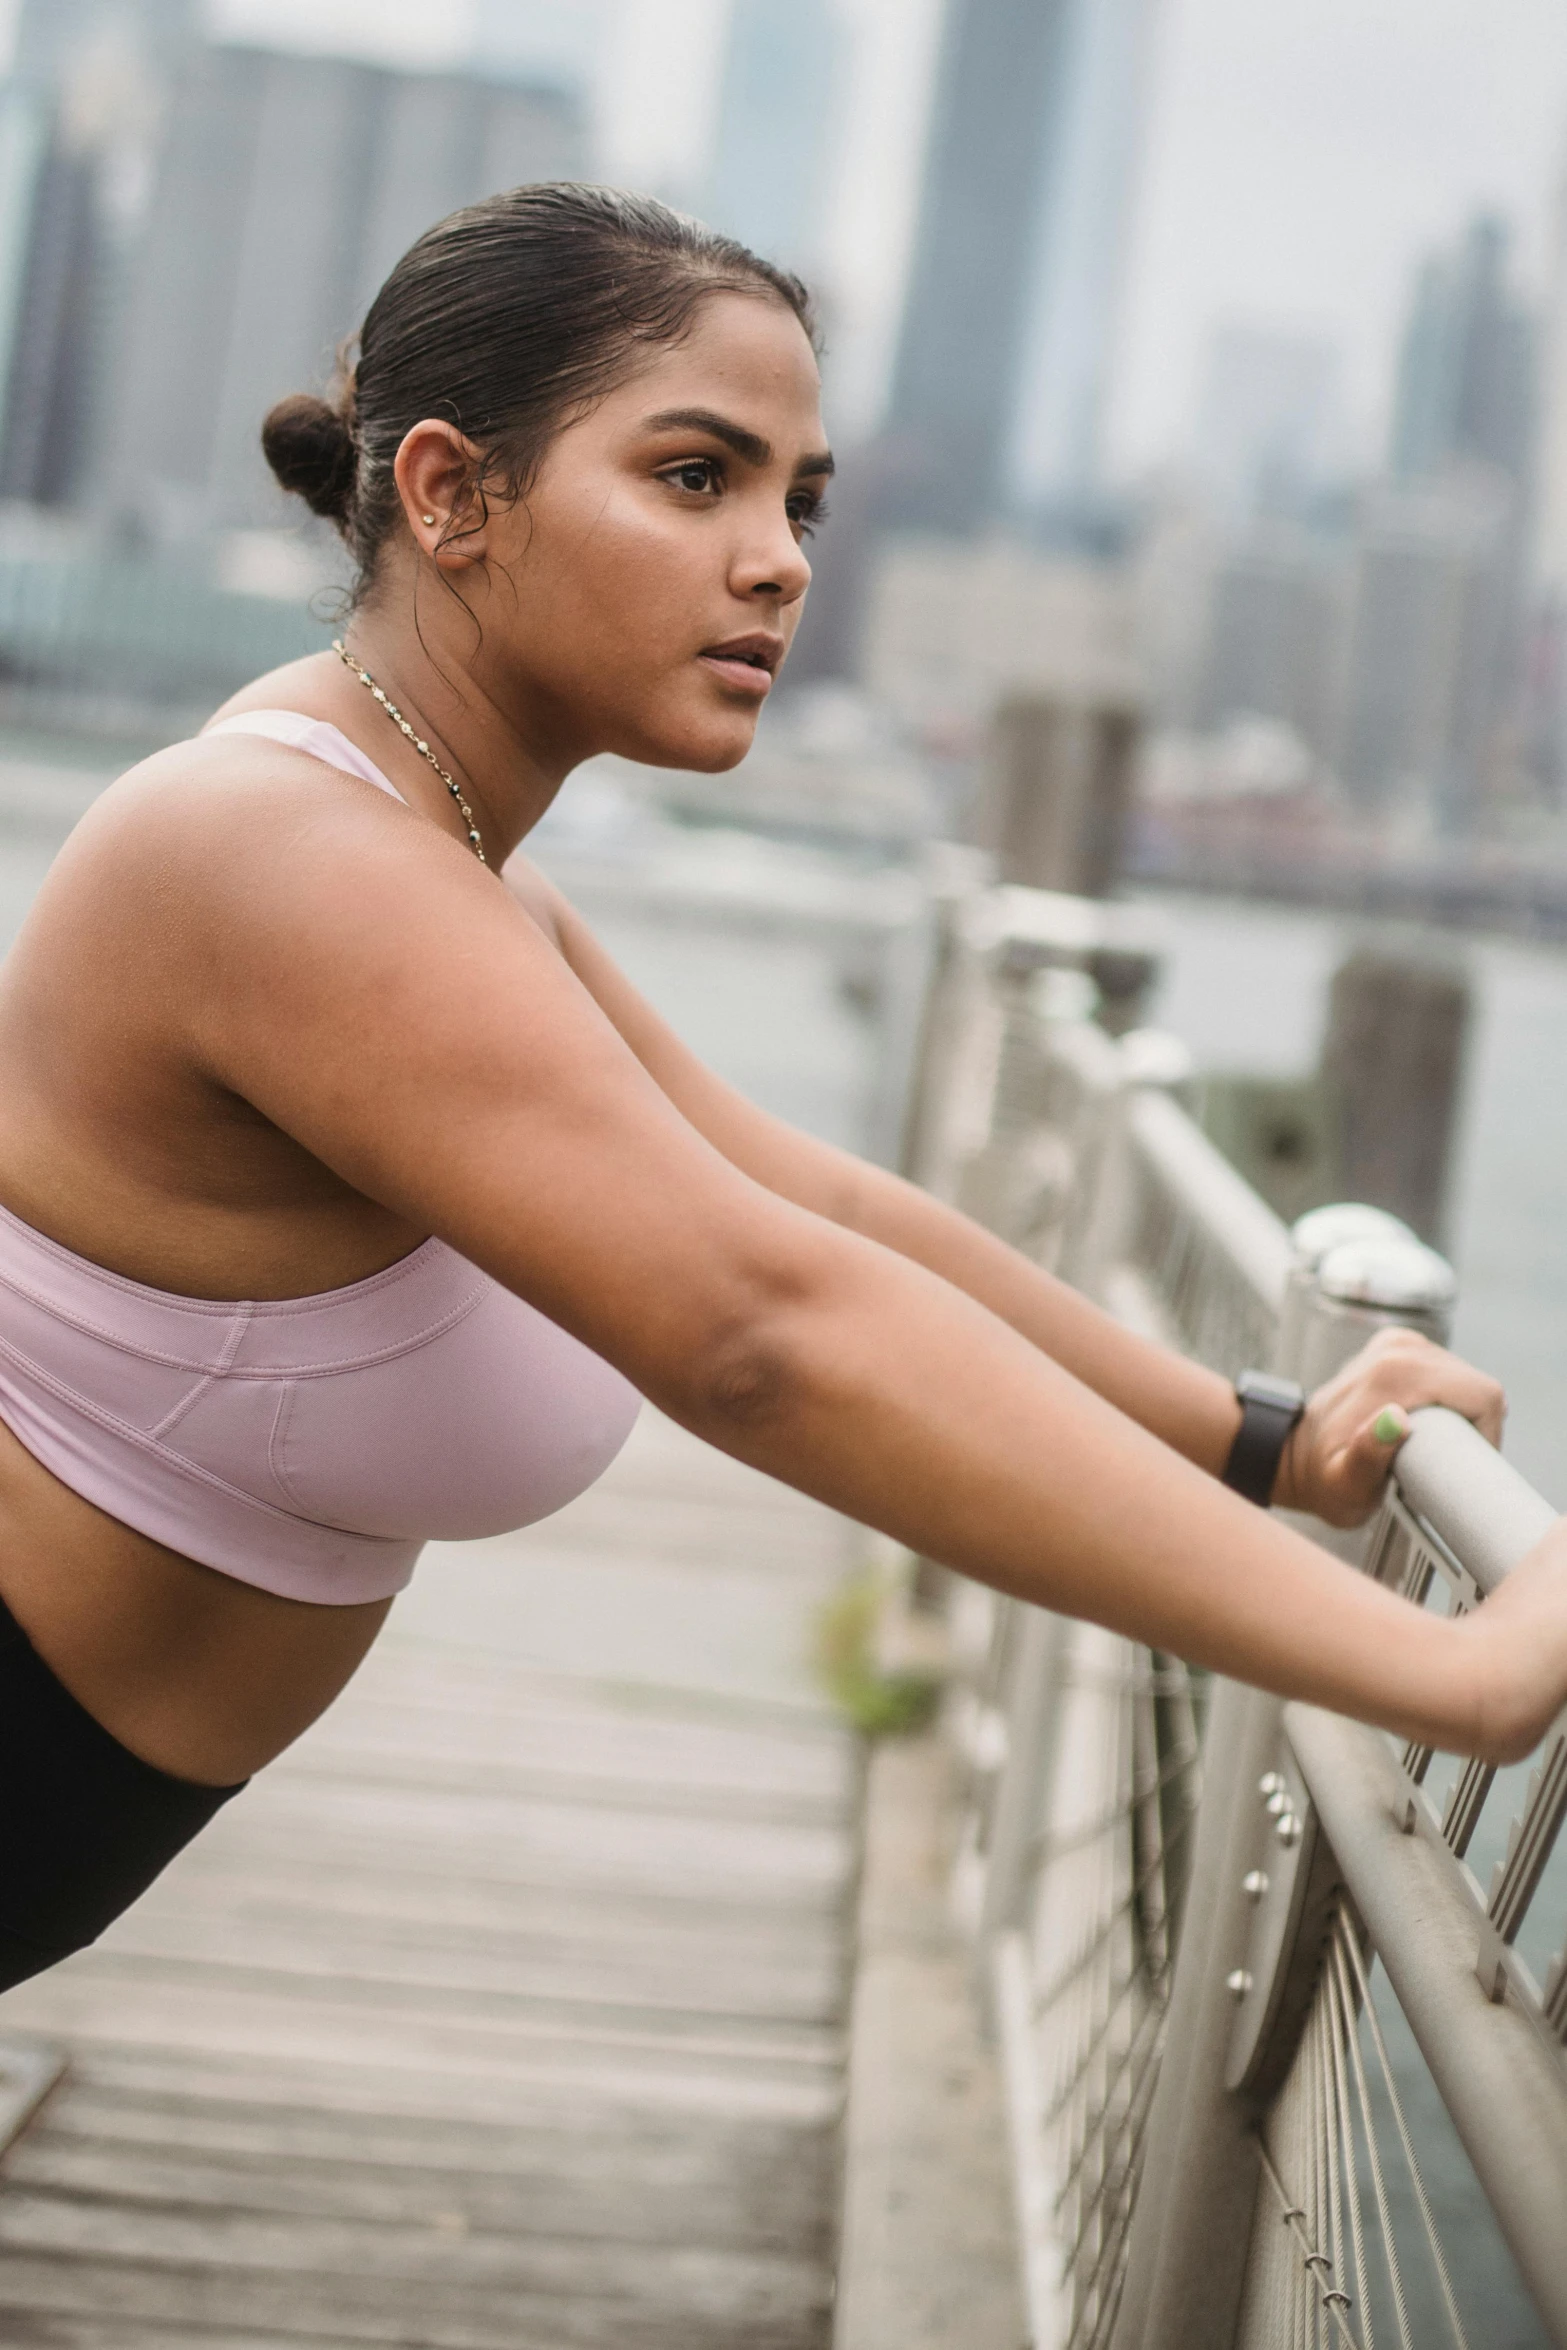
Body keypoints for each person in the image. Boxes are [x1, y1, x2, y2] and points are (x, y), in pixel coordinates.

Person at [0, 183, 1549, 1997]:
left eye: (798, 498)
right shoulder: (286, 856)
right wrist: (1448, 1672)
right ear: (447, 493)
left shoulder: (444, 857)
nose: (781, 558)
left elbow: (800, 1205)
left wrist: (1264, 1438)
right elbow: (760, 1331)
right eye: (693, 476)